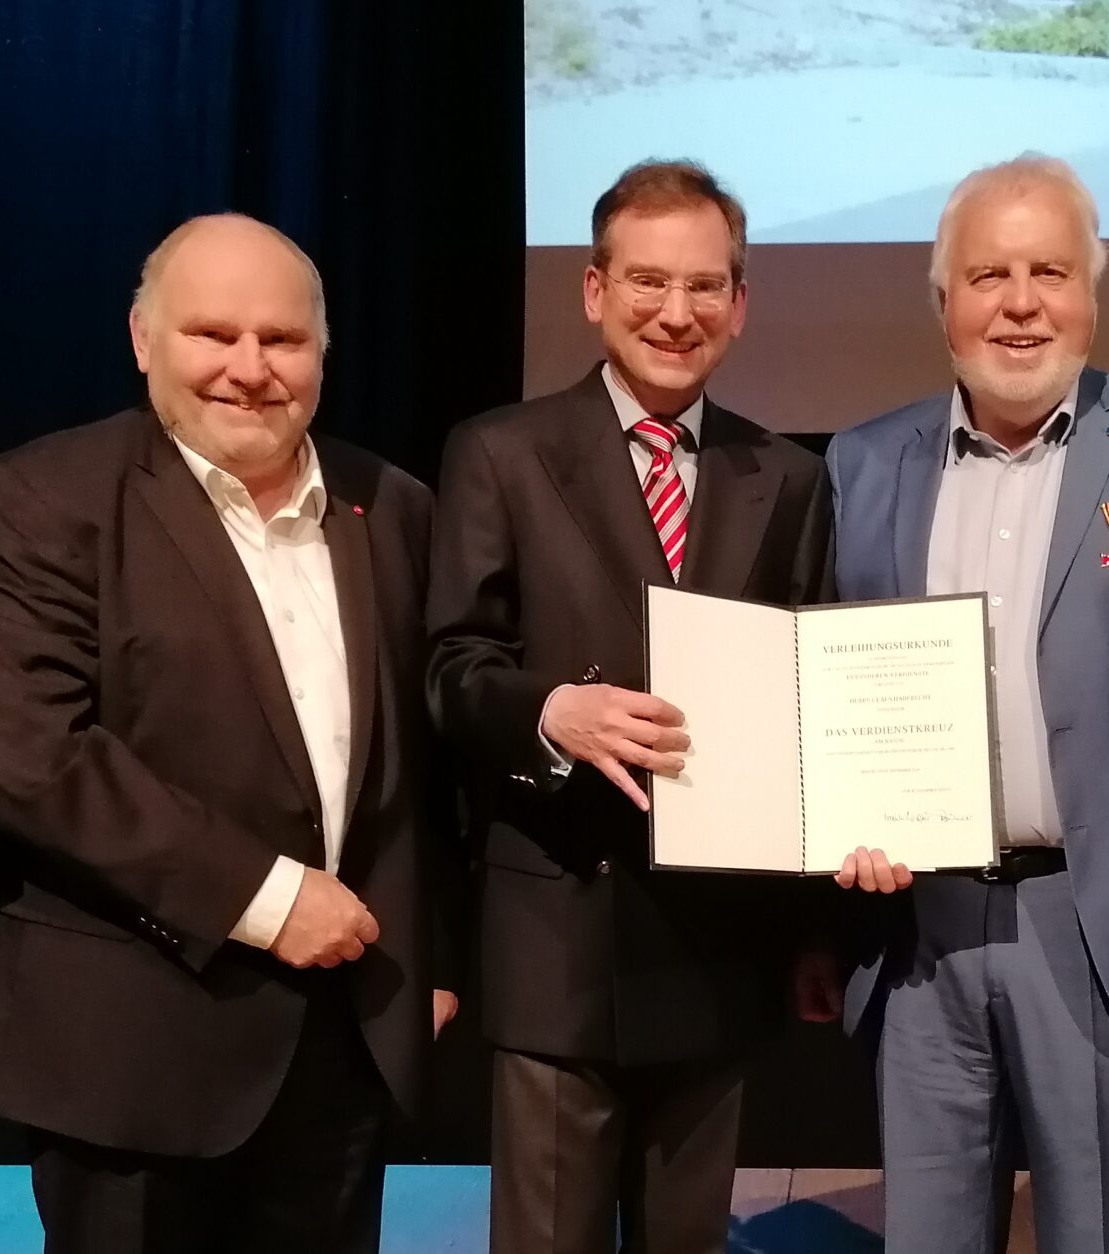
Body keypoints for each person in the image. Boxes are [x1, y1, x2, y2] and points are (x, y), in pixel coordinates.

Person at [0, 213, 459, 1254]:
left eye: (281, 340)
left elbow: (424, 761)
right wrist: (270, 901)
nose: (249, 368)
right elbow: (31, 761)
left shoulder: (396, 508)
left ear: (323, 351)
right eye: (212, 335)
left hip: (340, 1048)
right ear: (144, 341)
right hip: (134, 1057)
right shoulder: (45, 498)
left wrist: (432, 959)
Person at [824, 154, 1109, 1254]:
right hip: (919, 931)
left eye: (1050, 272)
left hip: (1096, 921)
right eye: (988, 275)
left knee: (1100, 1236)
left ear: (1091, 294)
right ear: (945, 305)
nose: (1020, 303)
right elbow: (834, 685)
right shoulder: (863, 460)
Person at [423, 159, 836, 1254]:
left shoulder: (786, 477)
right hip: (558, 929)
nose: (676, 311)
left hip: (717, 941)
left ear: (741, 307)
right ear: (595, 290)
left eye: (707, 286)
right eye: (648, 281)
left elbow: (808, 700)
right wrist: (551, 712)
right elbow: (450, 669)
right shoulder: (500, 452)